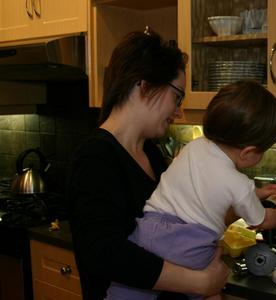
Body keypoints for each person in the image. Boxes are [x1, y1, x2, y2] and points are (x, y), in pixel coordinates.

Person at [66, 30, 229, 300]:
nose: (179, 111)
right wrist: (199, 283)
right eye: (177, 97)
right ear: (144, 86)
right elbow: (105, 253)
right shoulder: (95, 158)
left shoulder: (150, 153)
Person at [106, 80, 276, 300]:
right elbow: (260, 220)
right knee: (210, 288)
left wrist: (255, 195)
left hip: (150, 229)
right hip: (191, 244)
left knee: (130, 290)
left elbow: (206, 192)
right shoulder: (239, 184)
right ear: (248, 152)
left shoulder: (193, 147)